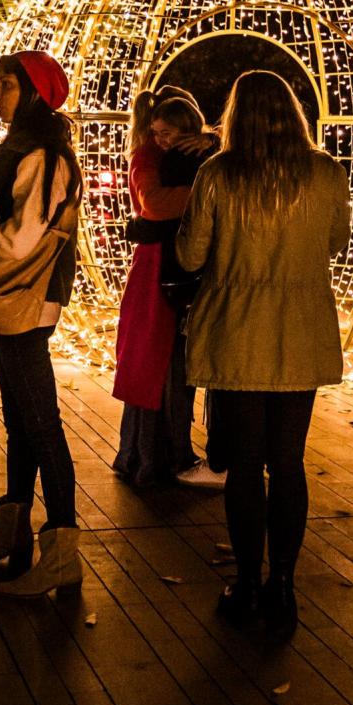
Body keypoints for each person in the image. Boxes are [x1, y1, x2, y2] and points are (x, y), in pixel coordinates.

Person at [176, 71, 351, 633]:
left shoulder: (218, 175)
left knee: (246, 466)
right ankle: (285, 584)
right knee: (289, 463)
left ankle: (247, 581)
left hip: (236, 333)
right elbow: (337, 241)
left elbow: (189, 253)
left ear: (233, 116)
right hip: (300, 333)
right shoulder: (324, 172)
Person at [0, 51, 85, 598]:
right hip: (20, 299)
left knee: (41, 423)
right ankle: (14, 535)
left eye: (6, 84)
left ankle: (61, 552)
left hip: (28, 300)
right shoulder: (24, 152)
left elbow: (21, 238)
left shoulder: (42, 155)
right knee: (23, 420)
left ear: (32, 92)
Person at [112, 88, 223, 489]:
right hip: (157, 271)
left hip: (175, 267)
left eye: (169, 133)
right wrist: (211, 196)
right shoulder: (148, 156)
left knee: (173, 361)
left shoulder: (196, 155)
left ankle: (162, 451)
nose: (161, 140)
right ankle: (149, 455)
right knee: (155, 360)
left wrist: (212, 143)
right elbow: (154, 204)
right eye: (156, 131)